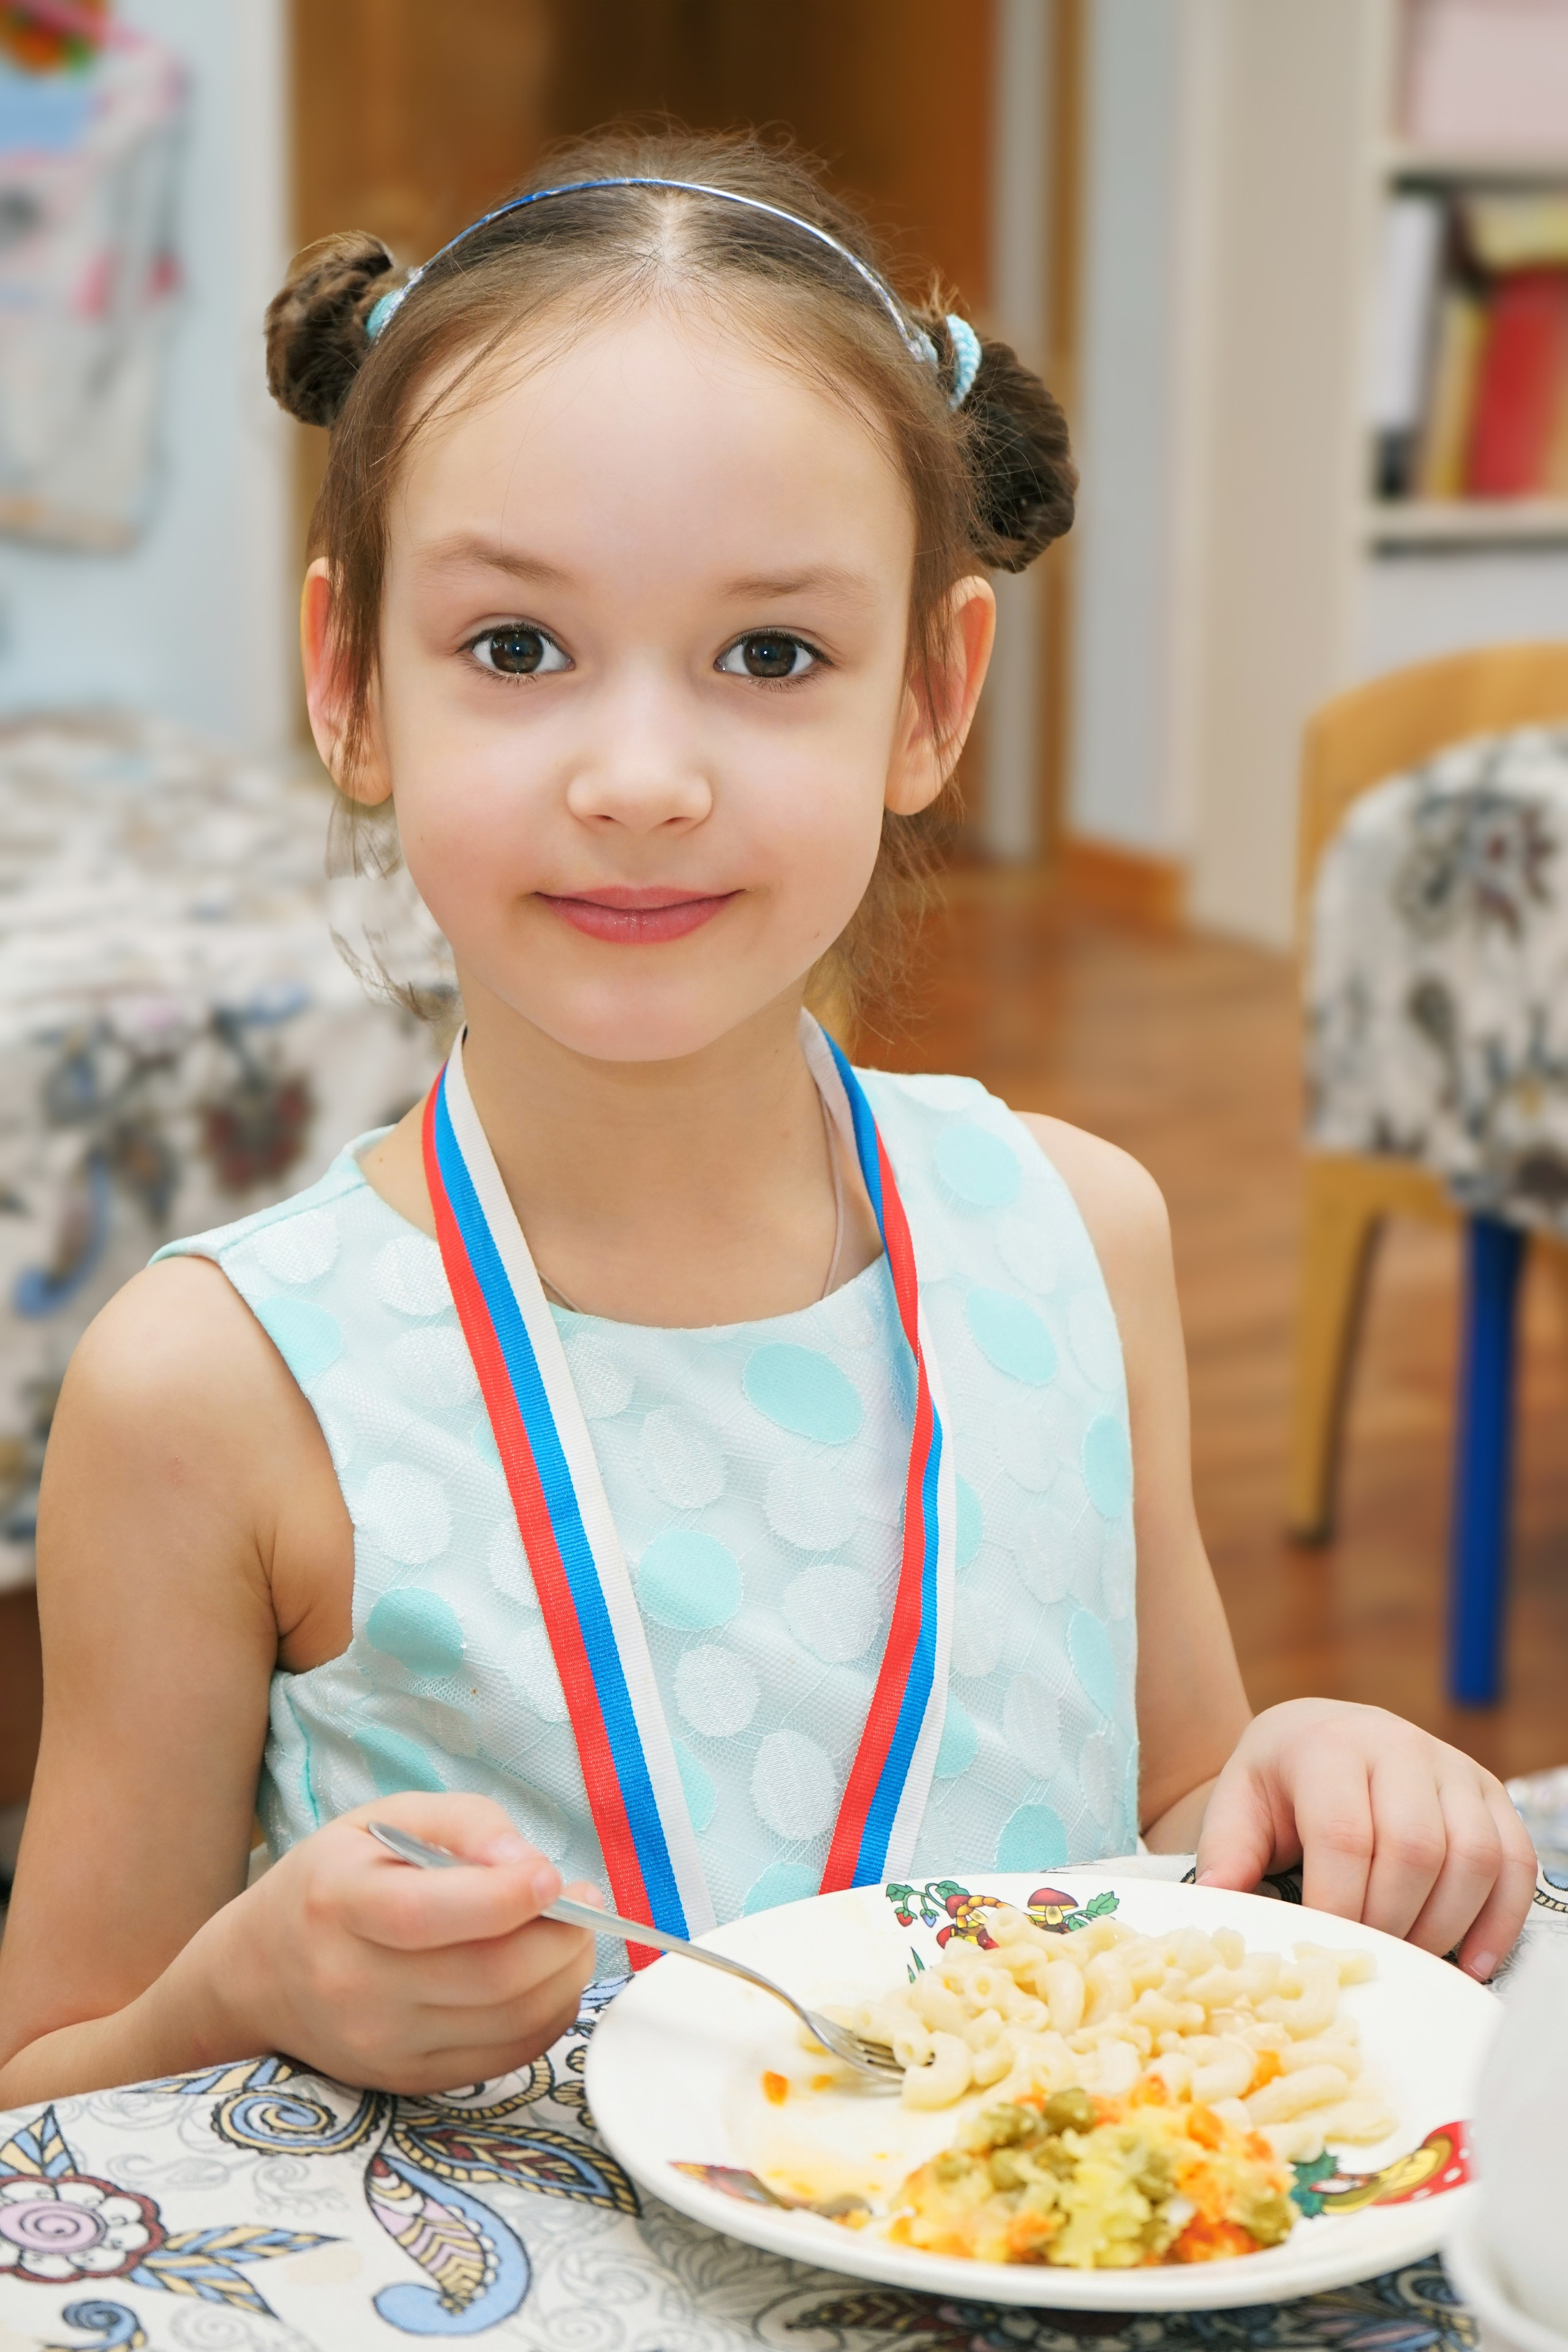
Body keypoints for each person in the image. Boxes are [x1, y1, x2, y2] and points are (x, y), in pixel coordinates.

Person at [0, 132, 1535, 2106]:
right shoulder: (215, 1389)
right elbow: (42, 2094)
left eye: (774, 655)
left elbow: (1179, 1820)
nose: (641, 775)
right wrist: (245, 1991)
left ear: (932, 697)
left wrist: (1312, 1762)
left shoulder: (1076, 1237)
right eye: (517, 649)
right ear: (346, 681)